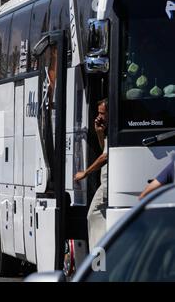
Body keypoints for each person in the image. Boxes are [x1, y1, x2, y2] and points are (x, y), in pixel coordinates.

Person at [74, 99, 108, 252]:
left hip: (108, 185)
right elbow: (104, 149)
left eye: (102, 113)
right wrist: (100, 132)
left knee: (93, 216)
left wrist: (85, 173)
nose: (99, 116)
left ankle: (98, 263)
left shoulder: (116, 126)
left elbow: (105, 157)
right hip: (107, 183)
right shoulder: (109, 127)